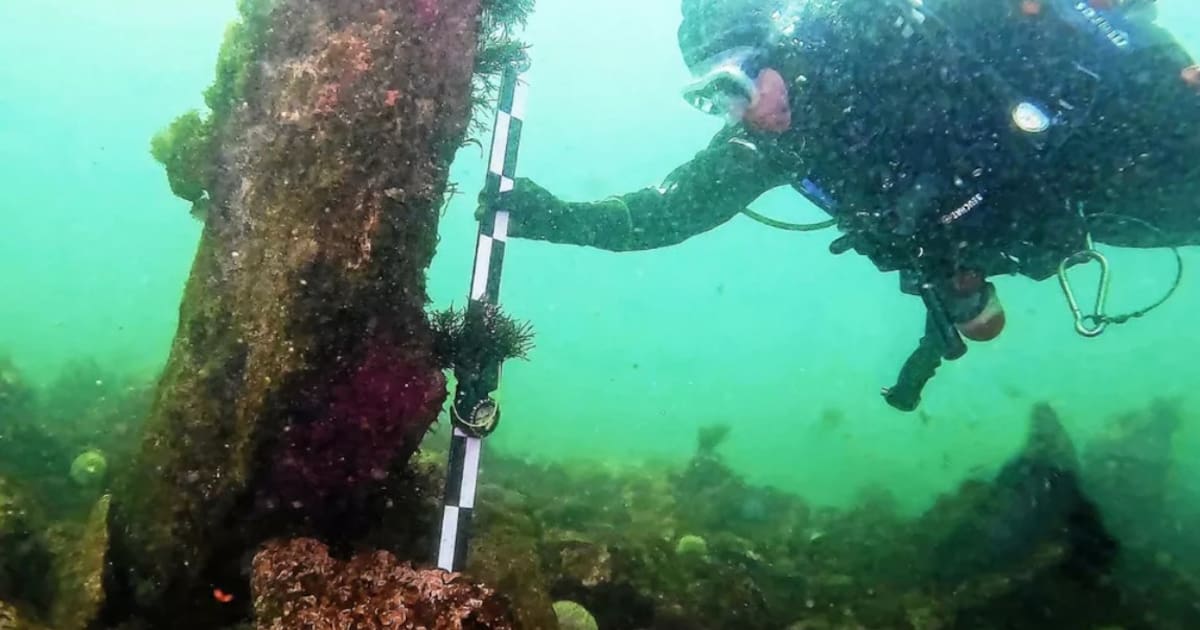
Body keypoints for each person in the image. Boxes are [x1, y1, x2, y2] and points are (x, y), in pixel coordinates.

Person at [481, 0, 1200, 409]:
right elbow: (666, 213)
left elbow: (1138, 55)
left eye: (745, 80)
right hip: (1068, 195)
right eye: (733, 93)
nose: (754, 103)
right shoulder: (791, 123)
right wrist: (547, 215)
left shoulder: (907, 23)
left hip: (1095, 138)